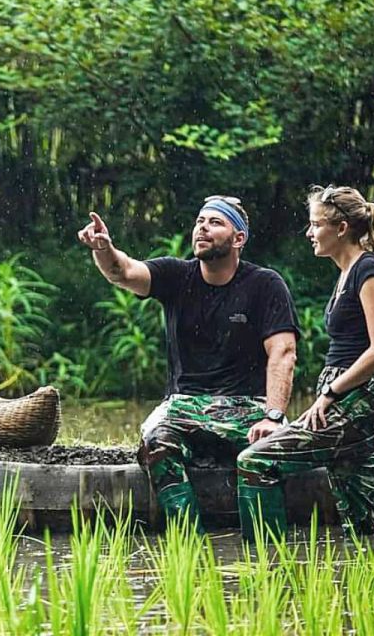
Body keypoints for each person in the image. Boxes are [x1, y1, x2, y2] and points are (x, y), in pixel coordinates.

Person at [78, 196, 299, 532]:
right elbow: (122, 271)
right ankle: (188, 546)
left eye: (215, 223)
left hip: (246, 406)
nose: (202, 229)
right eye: (200, 221)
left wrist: (273, 416)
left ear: (238, 239)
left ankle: (267, 551)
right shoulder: (176, 275)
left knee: (267, 450)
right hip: (184, 406)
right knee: (156, 443)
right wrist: (103, 249)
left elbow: (283, 352)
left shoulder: (265, 284)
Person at [236, 185, 374, 539]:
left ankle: (264, 564)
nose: (309, 233)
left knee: (255, 461)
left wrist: (329, 395)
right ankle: (372, 573)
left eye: (315, 225)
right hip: (349, 397)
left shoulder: (368, 269)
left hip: (357, 399)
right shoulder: (351, 270)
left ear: (341, 229)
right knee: (359, 516)